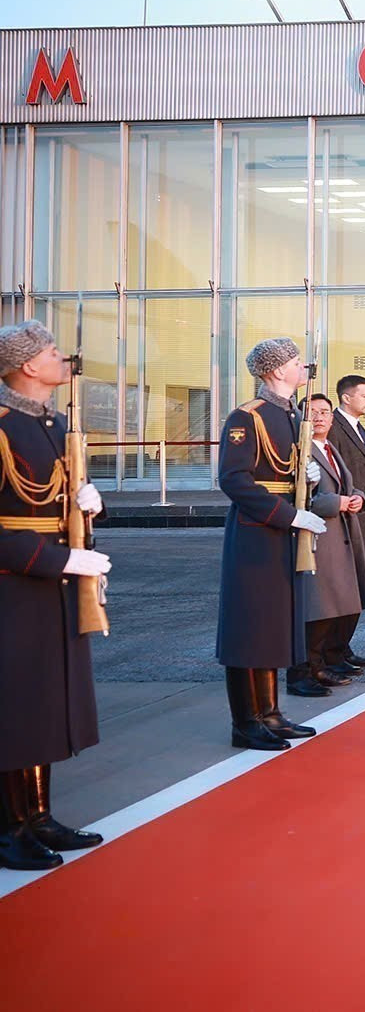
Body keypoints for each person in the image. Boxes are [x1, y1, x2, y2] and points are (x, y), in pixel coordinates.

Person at [0, 320, 111, 870]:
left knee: (44, 701)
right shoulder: (2, 426)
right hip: (16, 585)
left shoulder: (54, 422)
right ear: (27, 365)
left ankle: (39, 815)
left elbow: (58, 502)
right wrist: (55, 559)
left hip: (55, 584)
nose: (61, 357)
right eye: (51, 351)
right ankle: (9, 828)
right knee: (15, 705)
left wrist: (91, 507)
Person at [216, 338, 327, 752]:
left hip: (282, 532)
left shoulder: (291, 414)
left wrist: (309, 479)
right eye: (297, 362)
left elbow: (286, 473)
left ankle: (270, 712)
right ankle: (246, 722)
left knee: (274, 624)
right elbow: (234, 480)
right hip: (256, 533)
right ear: (278, 370)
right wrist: (289, 515)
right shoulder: (248, 417)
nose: (303, 368)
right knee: (249, 626)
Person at [288, 395, 365, 698]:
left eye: (324, 412)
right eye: (313, 412)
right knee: (317, 607)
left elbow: (347, 485)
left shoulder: (329, 448)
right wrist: (339, 502)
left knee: (334, 606)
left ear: (333, 418)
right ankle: (306, 670)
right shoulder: (300, 451)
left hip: (341, 535)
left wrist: (358, 497)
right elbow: (300, 498)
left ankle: (324, 662)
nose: (320, 417)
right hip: (318, 538)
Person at [326, 374, 365, 673]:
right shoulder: (334, 427)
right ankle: (331, 652)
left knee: (355, 590)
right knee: (342, 591)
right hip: (345, 519)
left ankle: (341, 647)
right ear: (346, 397)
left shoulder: (358, 427)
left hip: (363, 516)